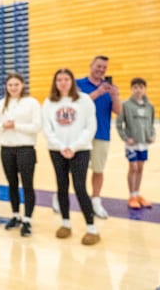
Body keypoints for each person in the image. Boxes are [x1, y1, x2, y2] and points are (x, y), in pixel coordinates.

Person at [42, 69, 100, 246]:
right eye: (59, 79)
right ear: (55, 83)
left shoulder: (84, 100)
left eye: (66, 79)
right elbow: (47, 128)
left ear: (72, 81)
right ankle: (65, 223)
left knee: (80, 187)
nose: (63, 82)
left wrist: (73, 147)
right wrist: (61, 147)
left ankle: (91, 228)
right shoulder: (49, 102)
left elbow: (91, 127)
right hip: (57, 150)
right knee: (61, 186)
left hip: (80, 150)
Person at [0, 72, 41, 237]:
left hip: (25, 149)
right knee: (12, 184)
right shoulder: (1, 103)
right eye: (10, 85)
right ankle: (15, 215)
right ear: (6, 87)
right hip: (7, 149)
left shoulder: (32, 103)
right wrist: (3, 125)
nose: (13, 88)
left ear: (22, 85)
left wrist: (16, 125)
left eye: (16, 84)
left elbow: (37, 126)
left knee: (27, 185)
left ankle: (27, 219)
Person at [76, 55, 121, 219]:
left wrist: (115, 95)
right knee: (74, 170)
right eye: (99, 66)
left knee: (98, 170)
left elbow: (119, 111)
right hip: (80, 135)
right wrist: (97, 93)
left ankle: (95, 201)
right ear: (91, 65)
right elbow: (76, 105)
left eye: (104, 68)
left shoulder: (109, 88)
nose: (101, 70)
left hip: (101, 133)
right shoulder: (78, 84)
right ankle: (62, 197)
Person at [116, 77, 155, 209]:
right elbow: (118, 124)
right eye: (135, 87)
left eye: (141, 87)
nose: (138, 90)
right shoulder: (126, 105)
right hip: (131, 144)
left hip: (143, 143)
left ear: (145, 89)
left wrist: (152, 135)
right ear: (131, 89)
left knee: (140, 168)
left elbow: (151, 123)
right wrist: (126, 138)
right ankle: (131, 195)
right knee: (133, 167)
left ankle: (138, 194)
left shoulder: (149, 106)